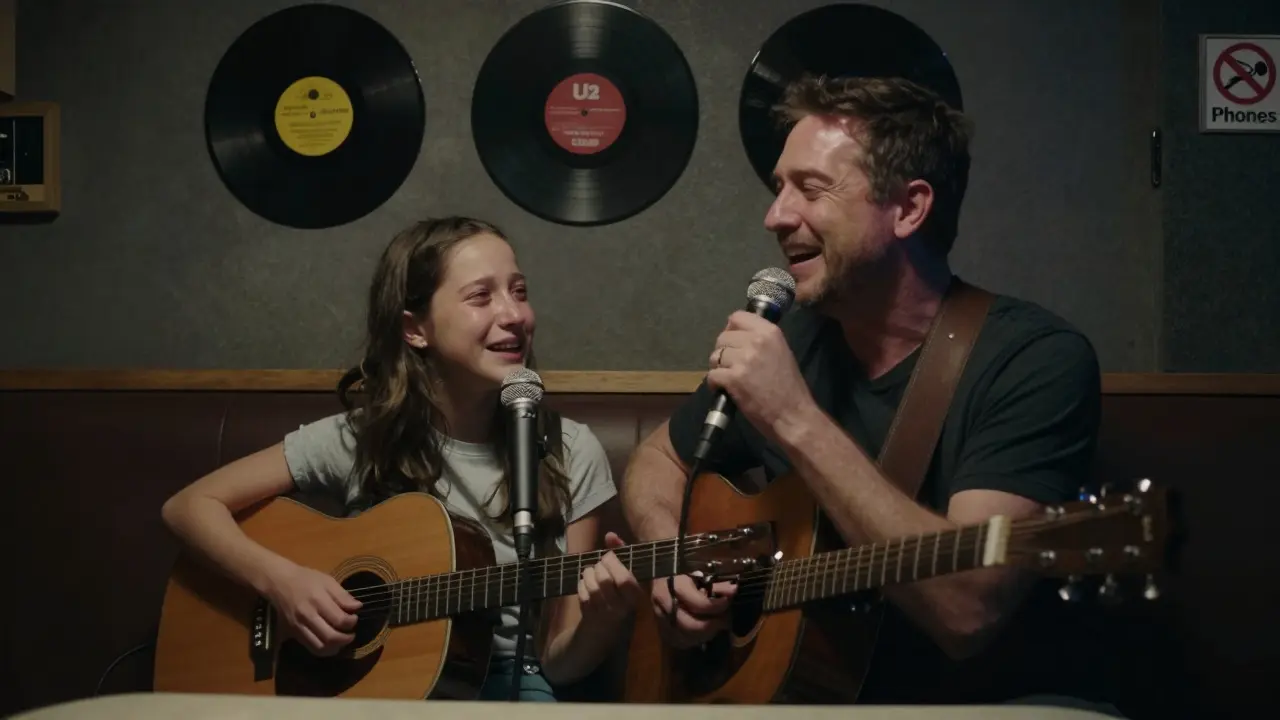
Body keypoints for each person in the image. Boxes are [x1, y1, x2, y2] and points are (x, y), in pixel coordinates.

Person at [618, 75, 1120, 713]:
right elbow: (657, 460)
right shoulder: (793, 337)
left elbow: (966, 607)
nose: (776, 217)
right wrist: (670, 555)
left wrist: (794, 418)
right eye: (779, 189)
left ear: (908, 209)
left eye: (812, 188)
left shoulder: (1033, 360)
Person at [161, 216, 641, 702]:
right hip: (363, 688)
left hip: (505, 683)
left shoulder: (569, 451)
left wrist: (602, 620)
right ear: (415, 329)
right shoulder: (362, 438)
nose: (514, 313)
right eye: (481, 296)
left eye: (519, 291)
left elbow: (559, 662)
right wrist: (282, 583)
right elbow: (188, 506)